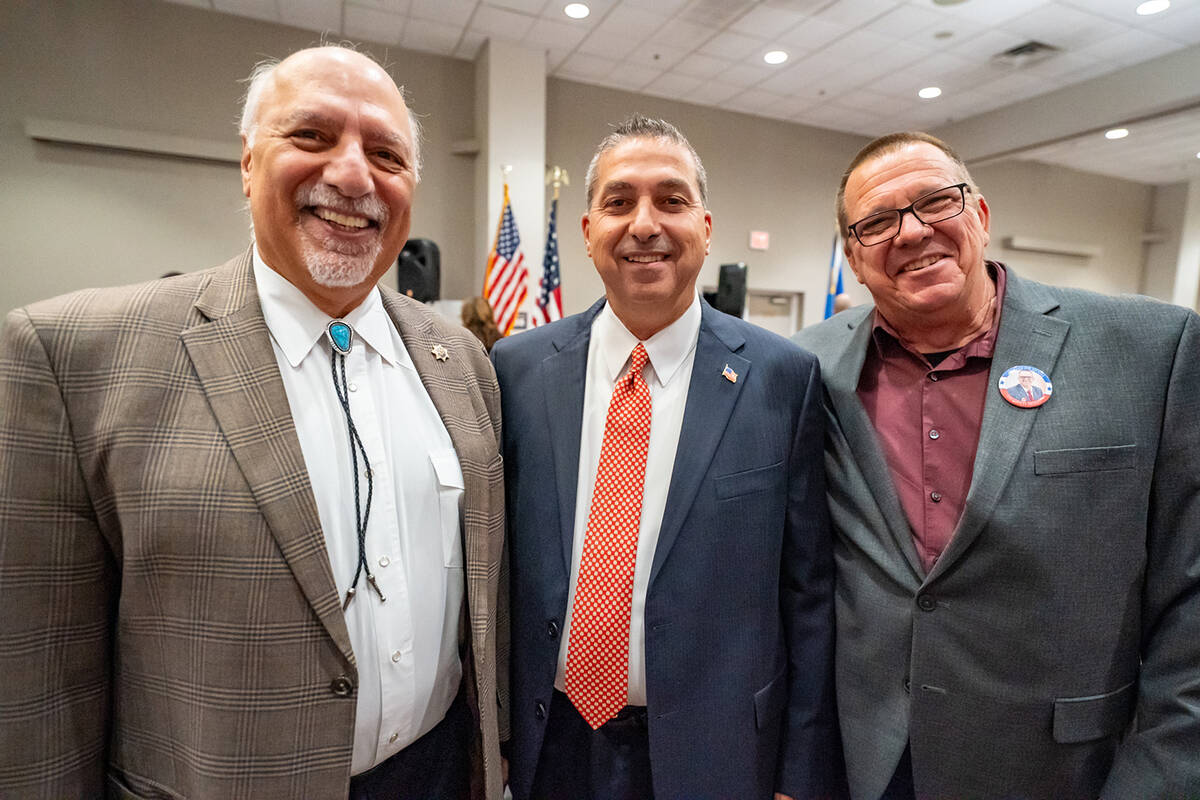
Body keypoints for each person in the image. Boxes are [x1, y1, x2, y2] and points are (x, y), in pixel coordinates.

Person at [0, 46, 506, 799]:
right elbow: (38, 680)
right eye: (311, 137)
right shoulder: (76, 358)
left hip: (438, 775)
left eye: (386, 154)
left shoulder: (461, 362)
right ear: (246, 162)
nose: (353, 175)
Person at [793, 131, 1200, 799]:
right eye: (878, 222)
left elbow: (1190, 597)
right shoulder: (808, 367)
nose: (913, 231)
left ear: (979, 214)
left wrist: (1163, 777)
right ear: (854, 258)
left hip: (1067, 766)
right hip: (867, 761)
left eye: (934, 201)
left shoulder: (1150, 352)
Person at [492, 115, 841, 800]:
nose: (644, 224)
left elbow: (810, 597)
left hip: (719, 751)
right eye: (619, 202)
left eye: (671, 200)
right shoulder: (518, 370)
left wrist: (801, 771)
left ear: (706, 228)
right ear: (588, 230)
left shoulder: (783, 378)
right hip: (551, 744)